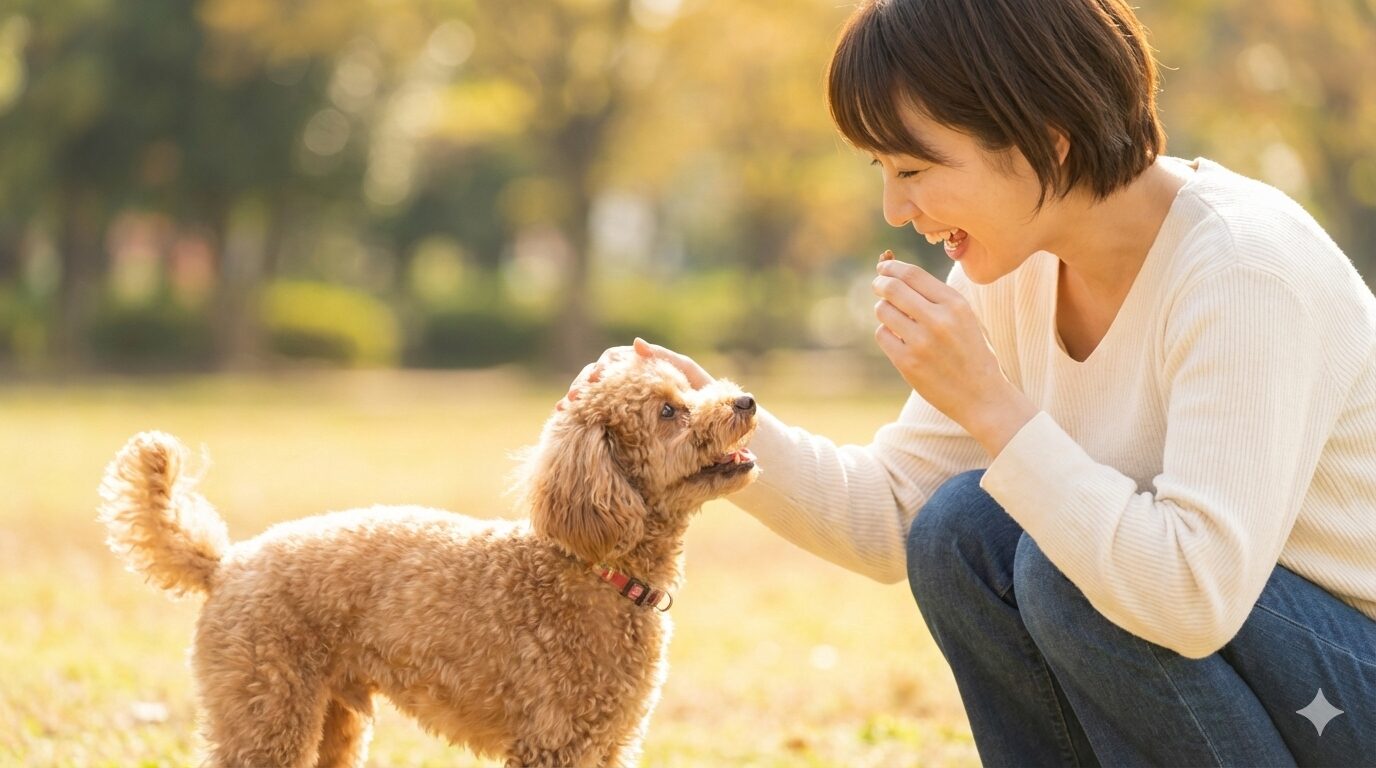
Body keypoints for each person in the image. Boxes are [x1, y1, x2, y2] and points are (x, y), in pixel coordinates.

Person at [564, 0, 1376, 764]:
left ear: (1046, 139)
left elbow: (1192, 597)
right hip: (1245, 663)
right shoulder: (1016, 262)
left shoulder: (1242, 269)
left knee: (1068, 569)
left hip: (1348, 682)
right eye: (883, 168)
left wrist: (991, 402)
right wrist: (712, 421)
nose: (894, 207)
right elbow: (893, 513)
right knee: (961, 532)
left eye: (914, 168)